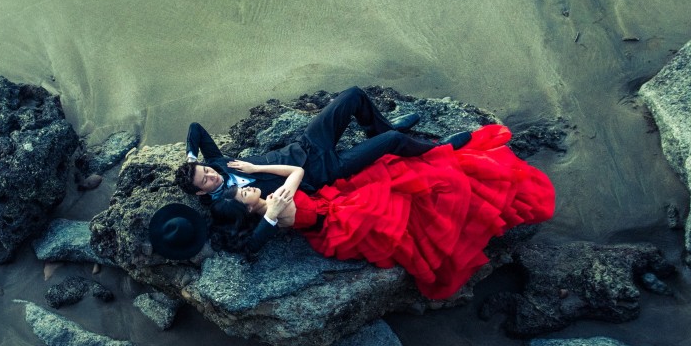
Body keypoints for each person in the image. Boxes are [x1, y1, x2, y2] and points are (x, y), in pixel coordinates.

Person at [208, 124, 555, 300]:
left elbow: (296, 172)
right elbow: (256, 241)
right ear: (247, 209)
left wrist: (256, 167)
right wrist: (269, 215)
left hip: (336, 201)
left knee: (392, 166)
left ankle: (442, 149)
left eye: (242, 187)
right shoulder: (275, 208)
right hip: (342, 219)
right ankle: (444, 150)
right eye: (242, 194)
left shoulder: (273, 199)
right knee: (414, 191)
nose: (246, 187)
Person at [175, 86, 471, 205]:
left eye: (206, 170)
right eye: (206, 180)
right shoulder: (227, 203)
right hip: (323, 172)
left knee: (353, 95)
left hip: (305, 144)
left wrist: (191, 159)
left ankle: (380, 129)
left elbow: (195, 129)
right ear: (201, 192)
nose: (212, 175)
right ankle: (437, 149)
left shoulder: (217, 163)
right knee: (393, 142)